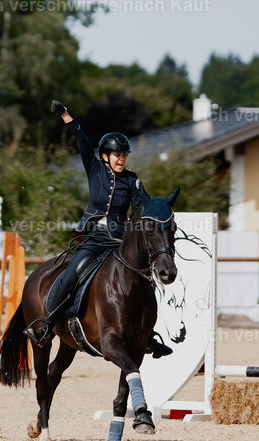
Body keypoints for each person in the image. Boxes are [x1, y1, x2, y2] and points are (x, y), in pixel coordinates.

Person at [24, 100, 173, 358]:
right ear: (105, 156)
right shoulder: (95, 169)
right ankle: (46, 325)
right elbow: (82, 140)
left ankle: (147, 336)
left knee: (143, 282)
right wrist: (66, 115)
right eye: (117, 155)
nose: (121, 159)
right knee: (70, 276)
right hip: (94, 238)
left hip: (120, 241)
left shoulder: (132, 180)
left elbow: (140, 209)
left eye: (124, 155)